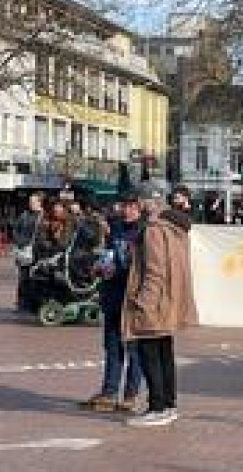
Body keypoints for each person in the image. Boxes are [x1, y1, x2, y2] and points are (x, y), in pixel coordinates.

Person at [122, 181, 199, 427]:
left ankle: (157, 406)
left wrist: (144, 301)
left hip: (155, 303)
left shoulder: (154, 229)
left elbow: (155, 270)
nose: (137, 205)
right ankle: (169, 404)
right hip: (169, 300)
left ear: (148, 202)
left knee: (150, 353)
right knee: (165, 352)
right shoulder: (175, 226)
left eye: (140, 201)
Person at [82, 191, 146, 413]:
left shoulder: (144, 232)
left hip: (132, 298)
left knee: (134, 348)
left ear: (140, 208)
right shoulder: (116, 228)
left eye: (131, 206)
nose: (127, 210)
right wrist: (100, 266)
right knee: (111, 346)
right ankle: (109, 392)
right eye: (124, 206)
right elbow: (108, 254)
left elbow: (143, 267)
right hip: (112, 295)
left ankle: (130, 395)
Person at [12, 193, 43, 310]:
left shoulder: (43, 216)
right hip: (23, 251)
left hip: (37, 252)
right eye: (30, 201)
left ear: (40, 202)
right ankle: (21, 303)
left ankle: (34, 303)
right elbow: (15, 229)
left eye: (34, 201)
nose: (31, 204)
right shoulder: (24, 215)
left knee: (36, 278)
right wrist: (19, 241)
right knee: (23, 278)